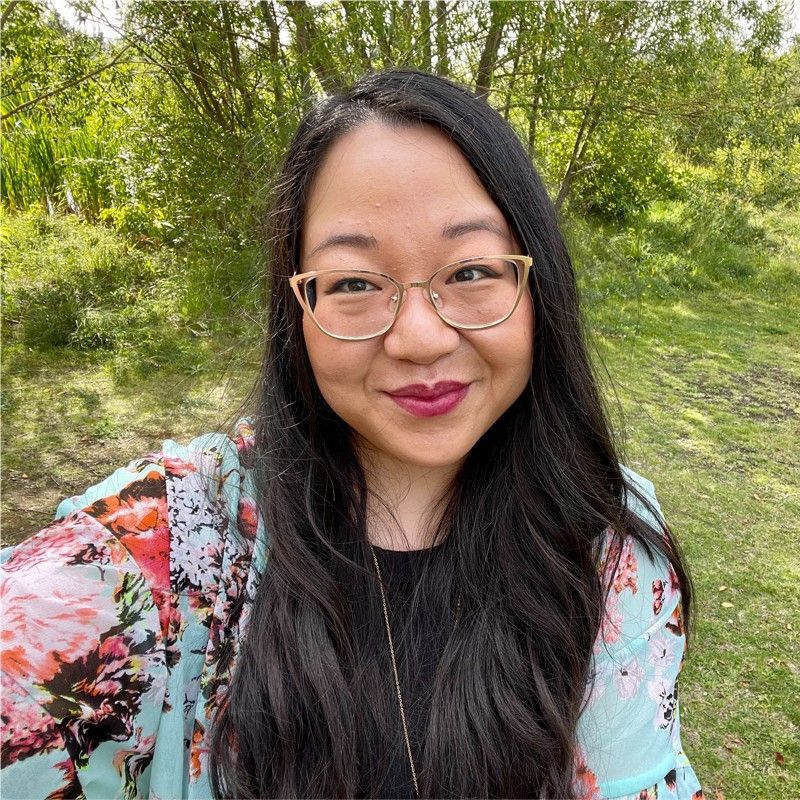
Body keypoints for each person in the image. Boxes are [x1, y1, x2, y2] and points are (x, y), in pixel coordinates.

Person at [0, 69, 704, 799]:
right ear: (297, 311)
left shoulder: (608, 546)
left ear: (537, 285)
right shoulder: (170, 545)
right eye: (355, 283)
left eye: (470, 271)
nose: (421, 339)